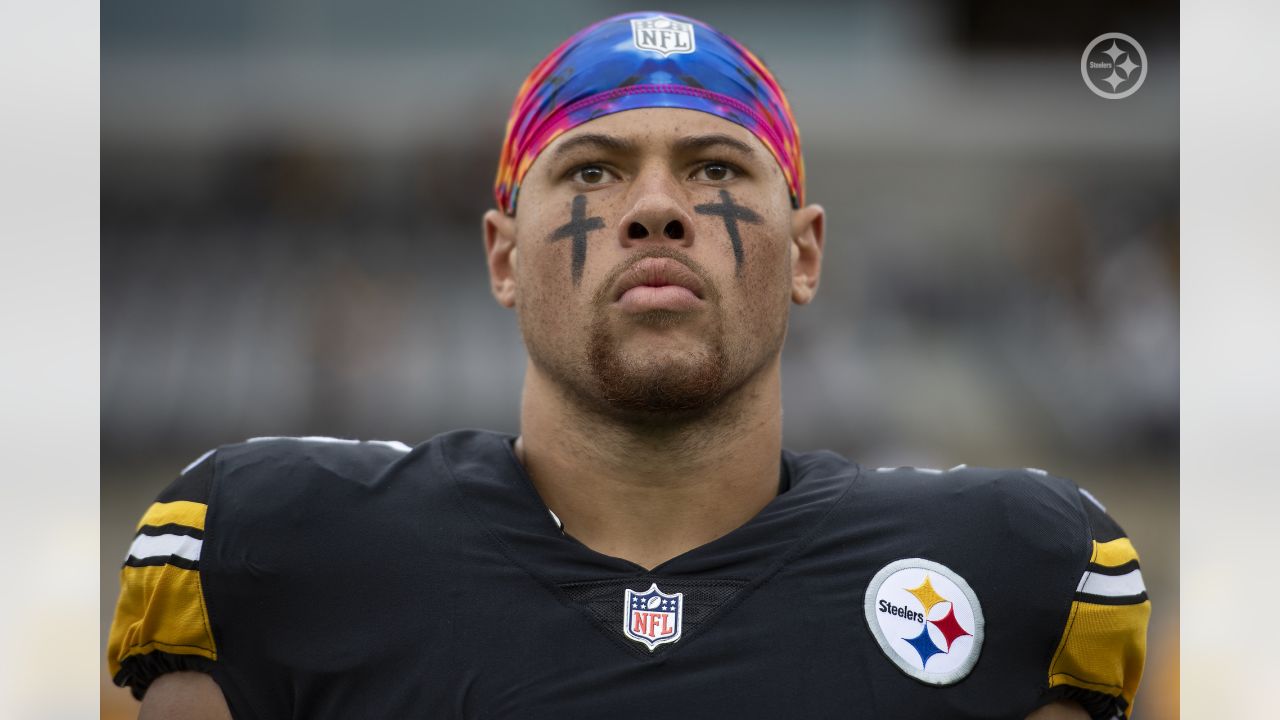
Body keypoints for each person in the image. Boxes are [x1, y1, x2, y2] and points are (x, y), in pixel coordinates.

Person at [107, 12, 1149, 719]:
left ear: (805, 253)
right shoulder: (279, 550)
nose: (656, 207)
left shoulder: (1014, 574)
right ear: (503, 257)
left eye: (715, 167)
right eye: (594, 170)